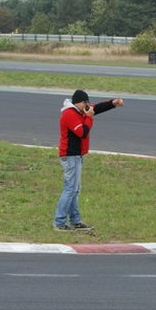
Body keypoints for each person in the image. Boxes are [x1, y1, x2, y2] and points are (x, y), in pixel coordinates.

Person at [53, 89, 124, 231]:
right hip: (70, 156)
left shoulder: (79, 111)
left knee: (75, 190)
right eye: (85, 103)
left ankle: (75, 221)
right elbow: (82, 133)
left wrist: (113, 103)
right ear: (79, 102)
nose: (88, 106)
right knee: (70, 189)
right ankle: (59, 222)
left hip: (77, 155)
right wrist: (90, 117)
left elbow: (95, 109)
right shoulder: (69, 114)